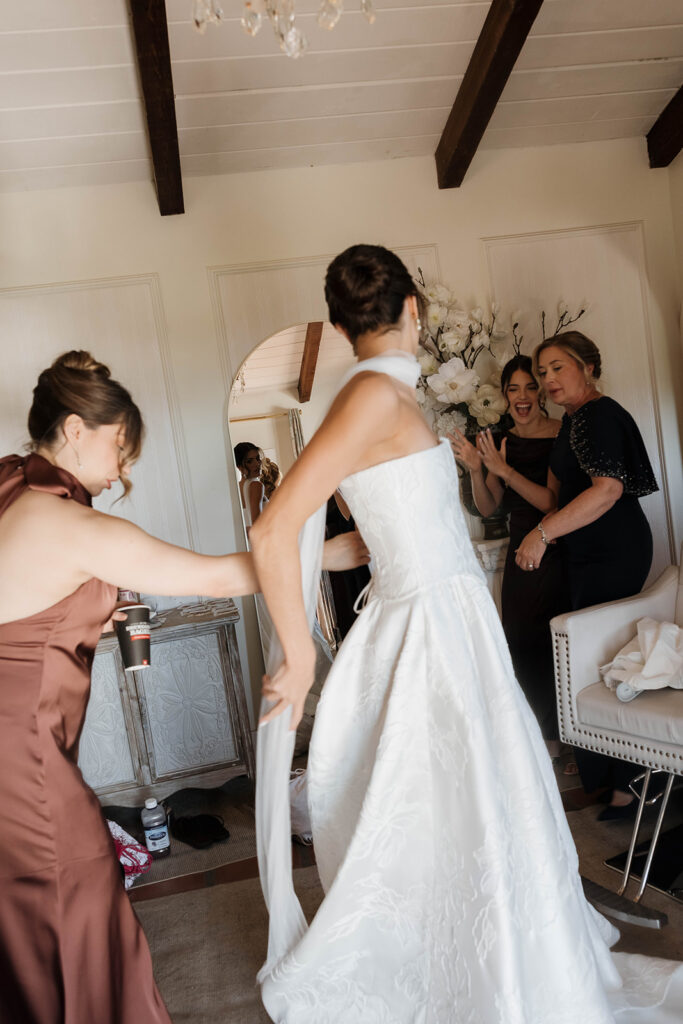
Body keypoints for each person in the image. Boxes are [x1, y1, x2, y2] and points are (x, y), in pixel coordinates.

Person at [250, 245, 682, 1023]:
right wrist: (300, 649)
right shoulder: (374, 396)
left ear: (345, 325)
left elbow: (373, 534)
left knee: (482, 796)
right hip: (427, 626)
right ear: (413, 310)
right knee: (452, 798)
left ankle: (499, 948)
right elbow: (278, 525)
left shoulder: (381, 394)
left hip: (449, 617)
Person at [0, 350, 368, 1024]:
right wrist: (325, 557)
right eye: (119, 448)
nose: (123, 472)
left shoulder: (12, 496)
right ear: (76, 428)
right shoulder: (69, 524)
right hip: (21, 762)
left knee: (28, 920)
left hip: (14, 749)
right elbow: (216, 576)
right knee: (75, 901)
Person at [516, 332, 659, 820]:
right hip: (583, 554)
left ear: (589, 367)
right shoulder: (573, 422)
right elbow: (557, 500)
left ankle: (628, 785)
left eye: (558, 368)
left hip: (612, 552)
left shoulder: (598, 415)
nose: (548, 380)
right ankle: (611, 781)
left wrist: (541, 535)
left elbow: (606, 491)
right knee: (590, 663)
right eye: (542, 373)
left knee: (605, 664)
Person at [449, 355, 571, 764]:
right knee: (520, 644)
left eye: (530, 387)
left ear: (541, 392)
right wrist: (474, 470)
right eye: (513, 389)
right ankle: (545, 743)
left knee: (555, 645)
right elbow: (488, 508)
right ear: (504, 395)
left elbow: (551, 502)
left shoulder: (560, 434)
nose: (522, 397)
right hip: (519, 553)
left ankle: (570, 740)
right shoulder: (501, 441)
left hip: (555, 547)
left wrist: (504, 469)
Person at [234, 441, 266, 533]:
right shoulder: (256, 485)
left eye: (257, 458)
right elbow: (257, 526)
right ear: (239, 466)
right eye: (249, 461)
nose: (257, 464)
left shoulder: (237, 487)